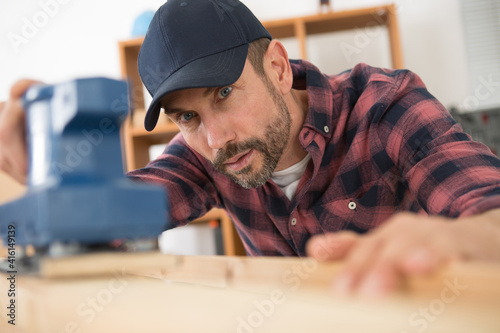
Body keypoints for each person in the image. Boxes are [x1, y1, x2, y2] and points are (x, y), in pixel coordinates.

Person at [1, 0, 500, 298]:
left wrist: (467, 241)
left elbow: (491, 209)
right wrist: (26, 192)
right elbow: (101, 218)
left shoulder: (387, 106)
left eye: (224, 93)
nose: (217, 140)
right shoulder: (202, 153)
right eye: (188, 117)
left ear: (279, 69)